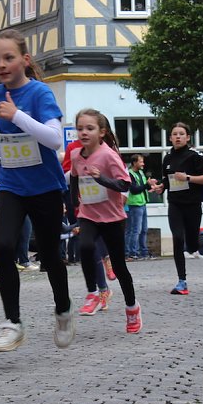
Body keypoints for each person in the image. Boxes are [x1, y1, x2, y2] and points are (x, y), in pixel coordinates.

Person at [0, 28, 72, 351]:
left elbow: (53, 139)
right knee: (3, 249)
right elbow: (13, 136)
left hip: (45, 186)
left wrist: (18, 116)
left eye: (8, 58)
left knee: (50, 255)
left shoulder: (40, 94)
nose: (1, 64)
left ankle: (63, 310)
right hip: (11, 184)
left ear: (23, 59)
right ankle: (13, 322)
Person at [69, 109, 141, 333]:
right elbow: (73, 178)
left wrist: (102, 179)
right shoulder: (76, 155)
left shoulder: (109, 155)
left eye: (89, 128)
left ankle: (132, 308)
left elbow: (125, 185)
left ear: (102, 132)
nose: (83, 132)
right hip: (88, 213)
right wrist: (75, 205)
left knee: (119, 267)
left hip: (112, 217)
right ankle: (93, 293)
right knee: (86, 246)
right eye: (80, 128)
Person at [149, 122, 203, 295]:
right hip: (175, 204)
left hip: (192, 204)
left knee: (192, 247)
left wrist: (188, 177)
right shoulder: (167, 158)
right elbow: (168, 181)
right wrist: (161, 187)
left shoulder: (195, 156)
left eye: (181, 134)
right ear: (170, 138)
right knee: (178, 238)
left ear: (188, 137)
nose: (177, 137)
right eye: (174, 134)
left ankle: (202, 237)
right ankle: (181, 281)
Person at [125, 154, 152, 261]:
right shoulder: (129, 174)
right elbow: (134, 189)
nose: (143, 164)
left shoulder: (140, 173)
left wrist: (151, 185)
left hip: (143, 203)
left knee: (144, 229)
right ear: (134, 163)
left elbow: (144, 186)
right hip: (135, 204)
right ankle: (132, 252)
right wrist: (146, 185)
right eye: (141, 162)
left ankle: (143, 251)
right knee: (135, 230)